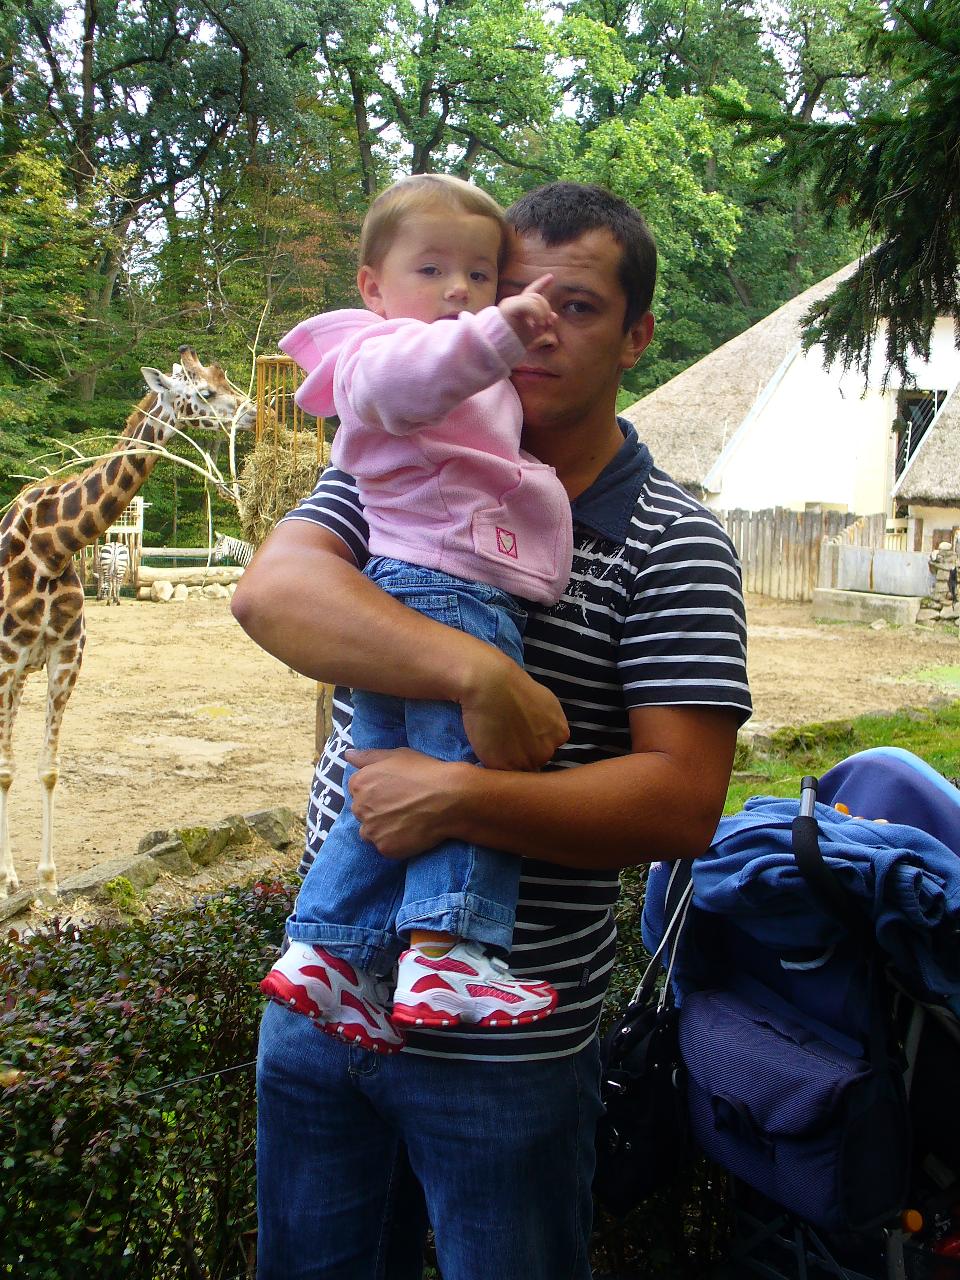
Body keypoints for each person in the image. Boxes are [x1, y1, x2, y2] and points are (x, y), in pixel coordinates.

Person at [232, 180, 753, 1280]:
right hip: (321, 1014)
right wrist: (476, 671)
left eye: (577, 305)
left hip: (508, 1054)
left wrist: (458, 796)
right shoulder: (400, 455)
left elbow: (680, 803)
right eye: (512, 292)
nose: (530, 324)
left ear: (638, 336)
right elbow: (273, 594)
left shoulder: (675, 542)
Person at [260, 175, 575, 1052]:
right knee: (464, 771)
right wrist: (502, 330)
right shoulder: (381, 353)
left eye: (480, 275)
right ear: (371, 285)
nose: (459, 292)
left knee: (391, 784)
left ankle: (326, 952)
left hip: (417, 583)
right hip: (450, 587)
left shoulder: (449, 362)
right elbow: (420, 379)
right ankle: (448, 954)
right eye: (431, 270)